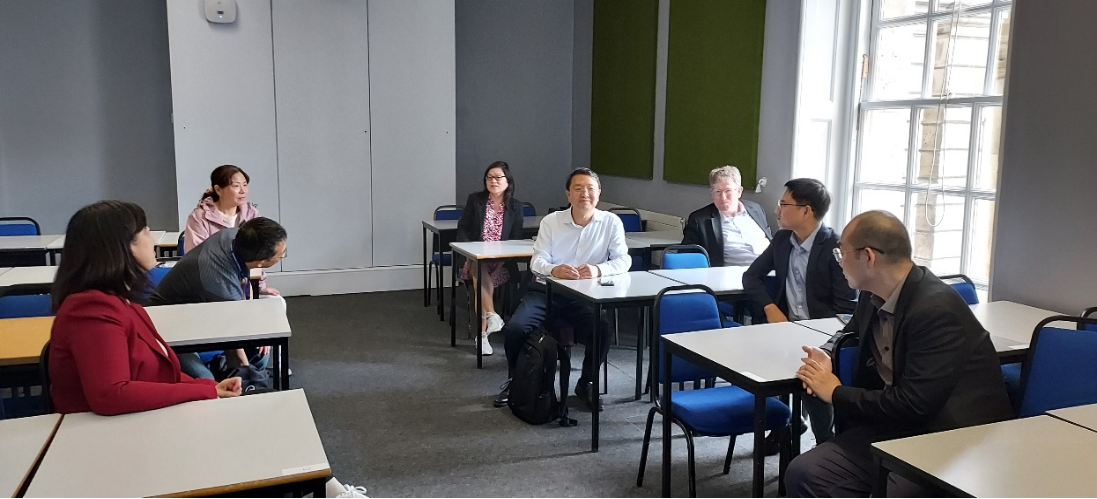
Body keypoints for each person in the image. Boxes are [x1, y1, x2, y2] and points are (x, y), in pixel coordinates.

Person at [785, 210, 1013, 498]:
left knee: (892, 493)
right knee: (804, 473)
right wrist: (827, 353)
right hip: (899, 425)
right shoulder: (872, 292)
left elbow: (915, 404)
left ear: (868, 256)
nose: (839, 261)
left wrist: (836, 393)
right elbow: (850, 331)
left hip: (952, 435)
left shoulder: (935, 310)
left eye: (841, 253)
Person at [49, 200, 242, 416]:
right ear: (124, 246)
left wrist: (208, 387)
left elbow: (162, 375)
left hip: (140, 420)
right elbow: (111, 395)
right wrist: (202, 391)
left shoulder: (124, 303)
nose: (153, 241)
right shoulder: (92, 309)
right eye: (147, 233)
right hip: (103, 430)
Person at [494, 168, 631, 412]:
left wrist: (598, 269)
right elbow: (537, 261)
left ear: (599, 193)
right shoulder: (552, 222)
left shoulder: (611, 223)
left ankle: (587, 382)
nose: (584, 194)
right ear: (568, 195)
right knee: (515, 328)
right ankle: (517, 381)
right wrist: (554, 270)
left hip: (584, 296)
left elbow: (623, 260)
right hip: (545, 292)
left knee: (602, 329)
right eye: (578, 188)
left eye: (590, 188)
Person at [742, 178, 857, 451]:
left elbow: (845, 307)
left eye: (784, 204)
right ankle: (787, 424)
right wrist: (770, 308)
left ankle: (825, 442)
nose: (777, 210)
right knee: (763, 364)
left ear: (806, 211)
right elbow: (751, 277)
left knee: (810, 372)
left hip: (827, 334)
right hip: (787, 331)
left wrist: (818, 337)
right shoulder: (783, 240)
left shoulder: (835, 246)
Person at [147, 217, 287, 380]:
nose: (283, 255)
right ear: (261, 262)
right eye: (281, 255)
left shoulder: (235, 237)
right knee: (206, 380)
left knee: (259, 352)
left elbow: (237, 303)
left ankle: (225, 372)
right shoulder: (220, 283)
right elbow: (232, 338)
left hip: (200, 315)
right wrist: (245, 371)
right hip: (164, 330)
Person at [455, 161, 525, 356]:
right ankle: (488, 323)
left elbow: (516, 239)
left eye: (498, 177)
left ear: (507, 181)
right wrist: (469, 249)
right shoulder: (475, 200)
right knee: (479, 270)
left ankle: (484, 332)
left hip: (502, 262)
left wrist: (501, 261)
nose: (493, 181)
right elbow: (462, 227)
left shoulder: (515, 206)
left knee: (481, 284)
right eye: (489, 177)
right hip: (474, 258)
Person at [184, 164, 278, 295]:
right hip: (209, 284)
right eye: (236, 186)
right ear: (218, 189)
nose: (243, 191)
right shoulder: (200, 217)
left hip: (242, 283)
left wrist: (260, 286)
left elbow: (257, 253)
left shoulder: (251, 214)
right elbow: (196, 257)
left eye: (245, 185)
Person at [681, 165, 771, 266]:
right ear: (711, 193)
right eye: (718, 192)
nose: (723, 197)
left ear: (739, 191)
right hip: (733, 273)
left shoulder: (756, 209)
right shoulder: (699, 220)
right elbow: (685, 258)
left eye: (728, 191)